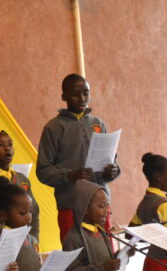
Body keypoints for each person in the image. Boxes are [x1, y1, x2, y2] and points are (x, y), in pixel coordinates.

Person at [36, 74, 121, 240]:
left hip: (100, 203)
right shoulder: (54, 128)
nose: (82, 98)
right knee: (76, 254)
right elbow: (43, 171)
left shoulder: (98, 124)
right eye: (76, 94)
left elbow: (112, 161)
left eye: (86, 93)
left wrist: (114, 171)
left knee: (104, 253)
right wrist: (70, 175)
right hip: (71, 204)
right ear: (64, 97)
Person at [0, 131, 40, 242]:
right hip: (1, 241)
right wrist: (2, 240)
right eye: (0, 145)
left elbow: (34, 210)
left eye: (10, 144)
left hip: (25, 240)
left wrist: (34, 239)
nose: (7, 148)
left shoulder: (22, 179)